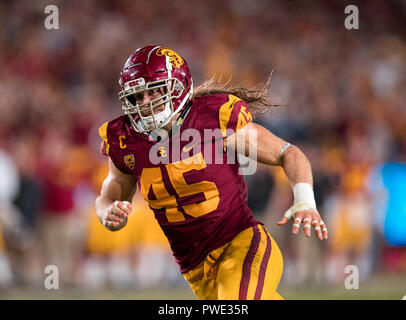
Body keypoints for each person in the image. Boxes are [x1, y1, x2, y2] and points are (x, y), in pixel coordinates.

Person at [95, 45, 328, 300]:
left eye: (153, 92)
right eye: (137, 97)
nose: (144, 104)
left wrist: (305, 200)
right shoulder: (124, 140)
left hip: (241, 243)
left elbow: (288, 153)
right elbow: (110, 195)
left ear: (177, 87)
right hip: (196, 271)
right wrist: (108, 211)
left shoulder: (212, 117)